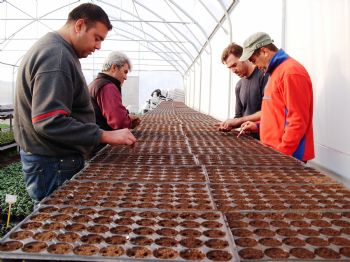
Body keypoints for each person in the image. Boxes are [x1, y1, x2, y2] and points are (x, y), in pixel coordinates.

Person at [14, 3, 136, 203]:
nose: (98, 46)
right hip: (54, 162)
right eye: (97, 38)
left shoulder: (56, 50)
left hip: (51, 159)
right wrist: (103, 134)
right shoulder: (57, 57)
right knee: (58, 222)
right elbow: (49, 121)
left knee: (58, 223)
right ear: (79, 25)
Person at [239, 32, 314, 161]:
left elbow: (298, 120)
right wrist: (258, 125)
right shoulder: (275, 73)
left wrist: (282, 154)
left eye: (253, 60)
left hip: (288, 156)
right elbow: (278, 113)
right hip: (274, 151)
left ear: (264, 51)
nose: (255, 65)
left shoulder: (291, 72)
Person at [215, 43, 268, 137]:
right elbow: (238, 116)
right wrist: (230, 124)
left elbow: (270, 111)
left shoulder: (264, 76)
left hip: (265, 140)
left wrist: (238, 121)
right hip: (246, 139)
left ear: (244, 58)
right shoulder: (239, 86)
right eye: (230, 68)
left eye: (234, 65)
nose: (233, 70)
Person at [89, 51, 141, 131]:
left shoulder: (95, 83)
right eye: (125, 72)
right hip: (102, 141)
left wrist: (126, 114)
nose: (126, 77)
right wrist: (129, 120)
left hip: (93, 136)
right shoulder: (108, 87)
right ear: (114, 68)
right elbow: (119, 122)